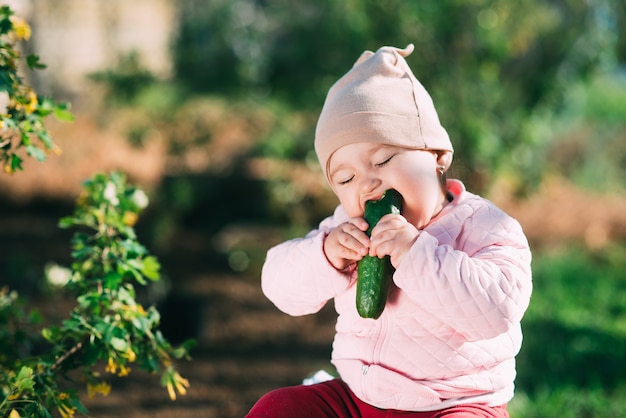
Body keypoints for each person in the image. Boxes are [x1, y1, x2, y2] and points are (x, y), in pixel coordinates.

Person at [247, 44, 532, 418]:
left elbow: (497, 311)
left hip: (455, 404)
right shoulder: (345, 229)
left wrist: (416, 253)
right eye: (346, 178)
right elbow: (277, 285)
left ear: (437, 155)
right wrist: (325, 255)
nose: (368, 184)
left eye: (382, 159)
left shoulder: (485, 227)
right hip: (359, 399)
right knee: (277, 408)